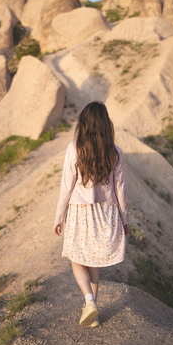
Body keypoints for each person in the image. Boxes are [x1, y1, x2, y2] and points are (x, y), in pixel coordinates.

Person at [53, 101, 129, 328]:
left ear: (83, 123)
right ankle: (93, 314)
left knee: (77, 259)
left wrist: (58, 217)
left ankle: (89, 301)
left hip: (80, 211)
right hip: (106, 213)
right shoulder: (115, 152)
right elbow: (121, 189)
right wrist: (125, 220)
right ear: (106, 124)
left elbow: (67, 186)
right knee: (93, 262)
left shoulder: (74, 148)